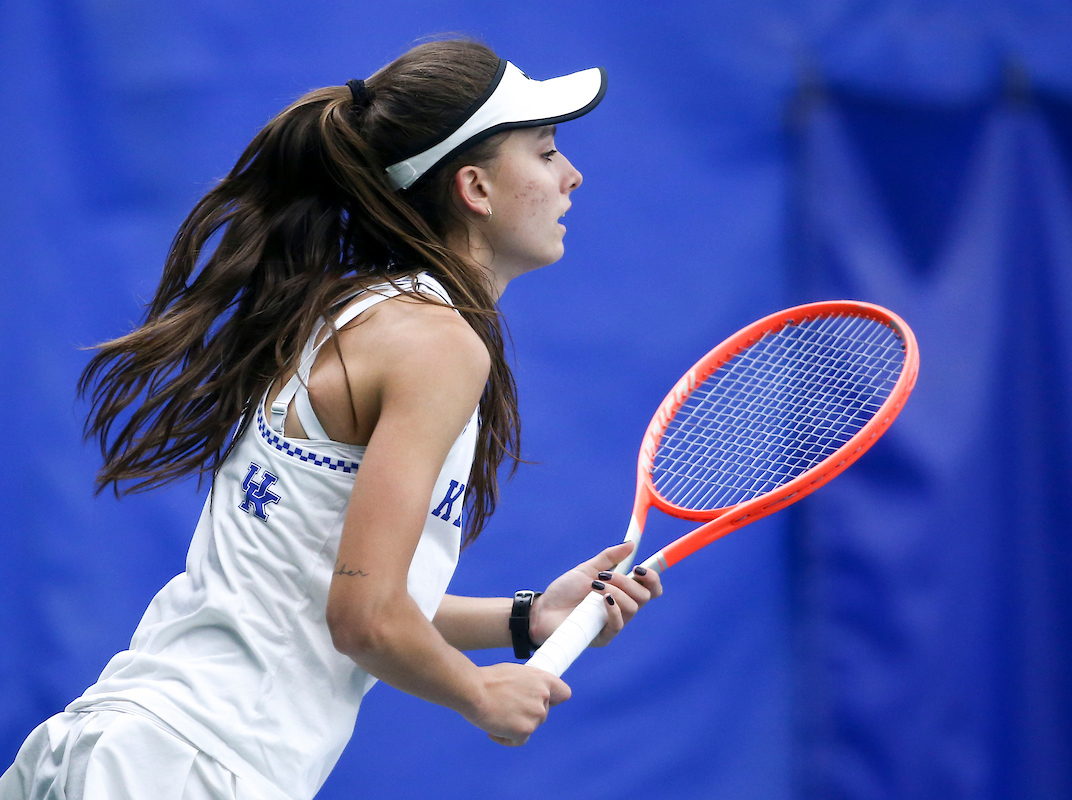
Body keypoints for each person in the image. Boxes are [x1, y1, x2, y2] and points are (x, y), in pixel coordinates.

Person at [1, 38, 661, 800]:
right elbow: (365, 618)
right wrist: (481, 694)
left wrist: (526, 619)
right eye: (546, 152)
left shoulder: (354, 312)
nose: (571, 174)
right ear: (475, 188)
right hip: (191, 766)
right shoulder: (438, 342)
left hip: (116, 742)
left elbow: (325, 587)